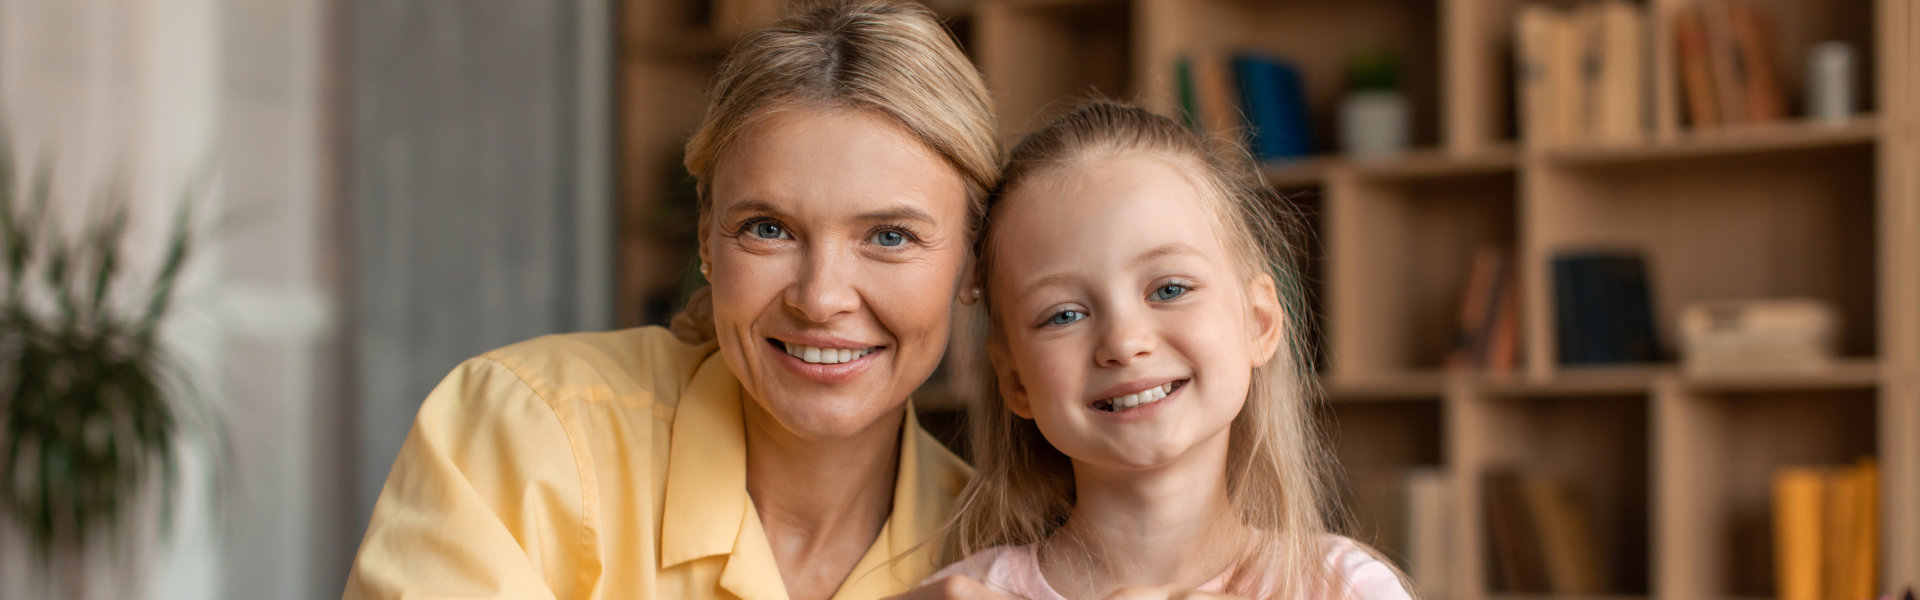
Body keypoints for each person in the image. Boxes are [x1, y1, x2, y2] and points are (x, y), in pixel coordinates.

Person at [341, 2, 999, 598]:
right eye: (767, 229)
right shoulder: (525, 433)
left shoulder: (993, 552)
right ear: (707, 238)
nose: (820, 298)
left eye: (890, 236)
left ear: (972, 263)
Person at [908, 101, 1414, 600]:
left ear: (1258, 321)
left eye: (1169, 289)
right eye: (1063, 315)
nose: (1125, 344)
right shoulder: (961, 593)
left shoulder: (1346, 587)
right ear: (1015, 380)